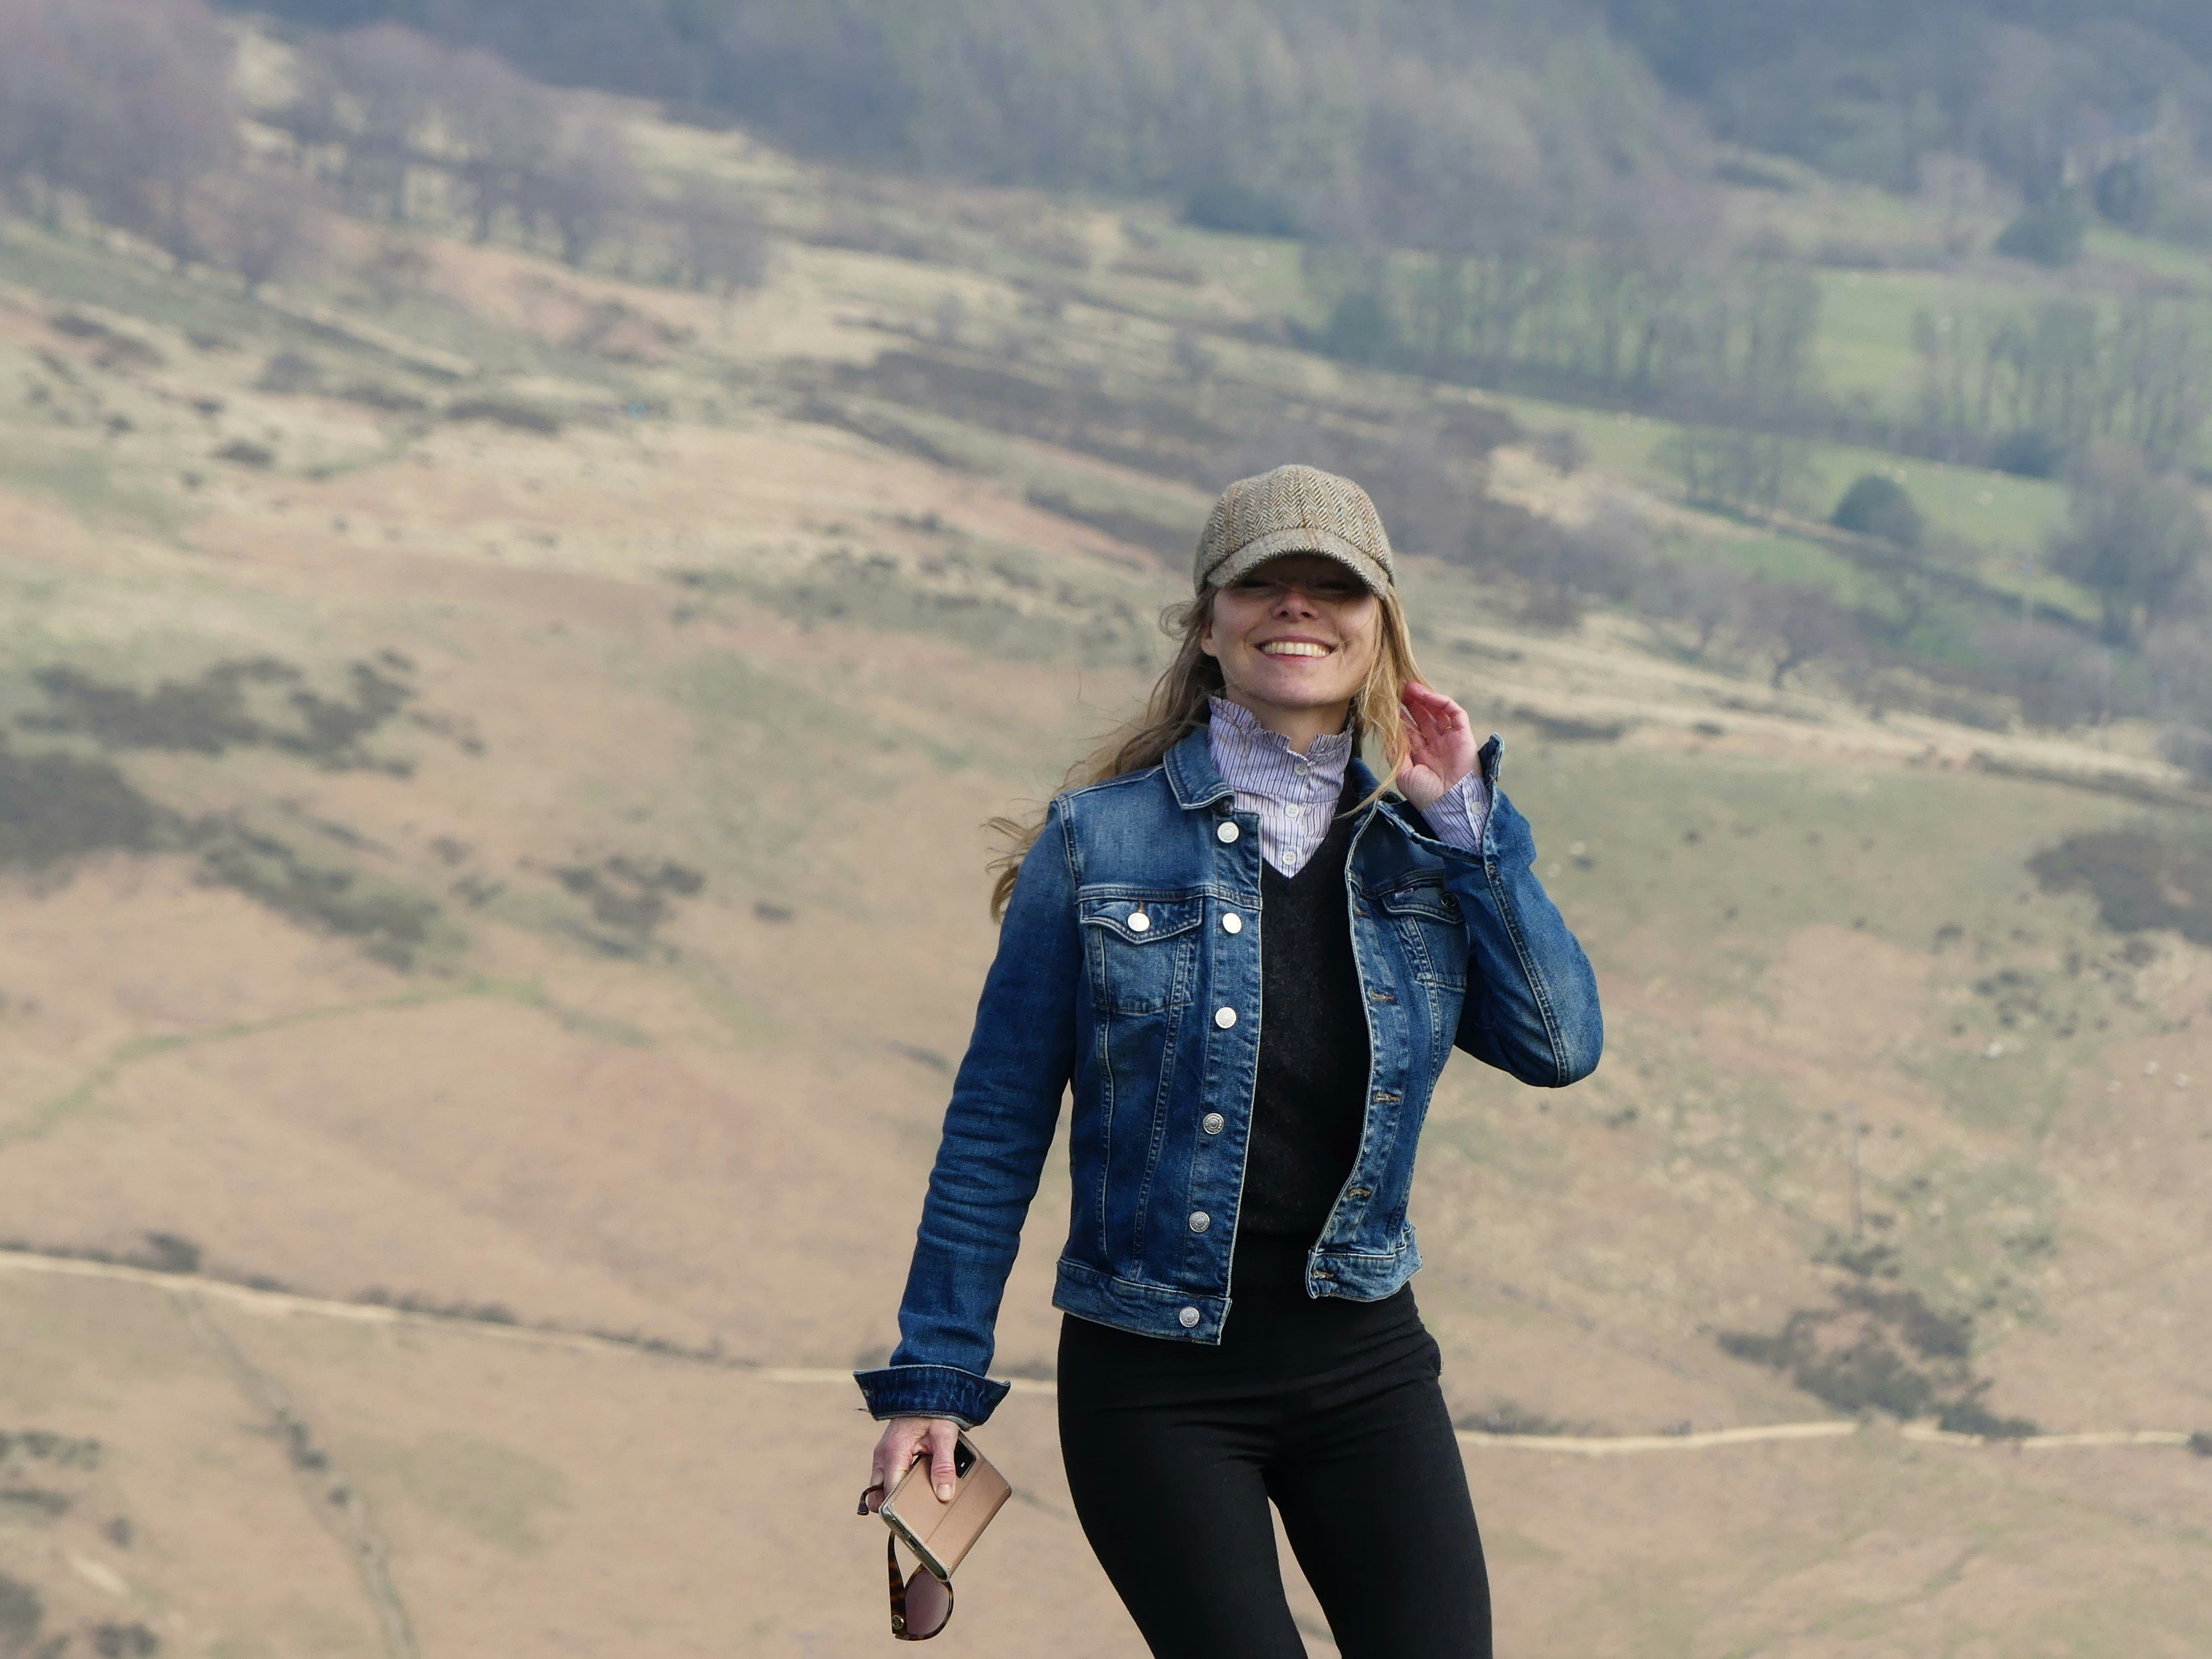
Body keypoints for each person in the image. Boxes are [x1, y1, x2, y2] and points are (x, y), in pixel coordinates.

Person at [857, 465, 1603, 1657]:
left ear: (1378, 631)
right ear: (1208, 624)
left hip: (1366, 1365)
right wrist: (933, 1377)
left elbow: (1559, 1047)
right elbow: (996, 1123)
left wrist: (1470, 829)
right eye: (1264, 584)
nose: (1296, 608)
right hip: (1155, 1390)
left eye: (1332, 589)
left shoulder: (1422, 856)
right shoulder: (1094, 844)